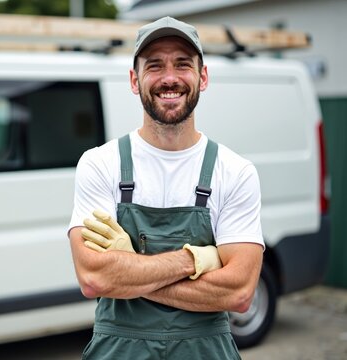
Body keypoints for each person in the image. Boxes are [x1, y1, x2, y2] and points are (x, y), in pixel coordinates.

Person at [67, 16, 264, 359]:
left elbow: (239, 293)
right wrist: (194, 260)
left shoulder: (235, 172)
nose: (169, 78)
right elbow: (95, 278)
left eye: (183, 65)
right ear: (134, 80)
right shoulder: (101, 164)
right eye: (154, 65)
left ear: (203, 77)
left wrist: (130, 266)